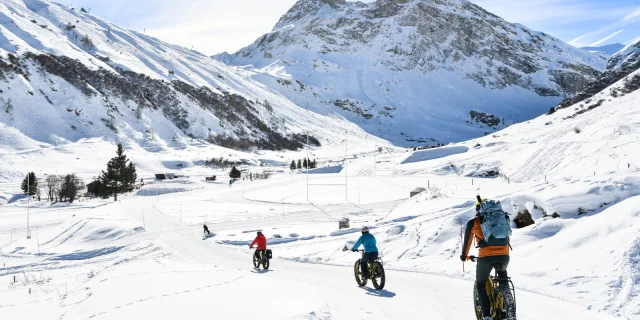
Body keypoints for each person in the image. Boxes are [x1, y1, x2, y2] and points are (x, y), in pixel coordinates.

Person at [461, 199, 510, 320]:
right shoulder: (501, 218)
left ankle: (486, 315)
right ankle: (508, 305)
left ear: (478, 209)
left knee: (480, 283)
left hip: (485, 258)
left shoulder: (474, 222)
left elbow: (467, 242)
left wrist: (464, 255)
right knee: (503, 278)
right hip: (504, 256)